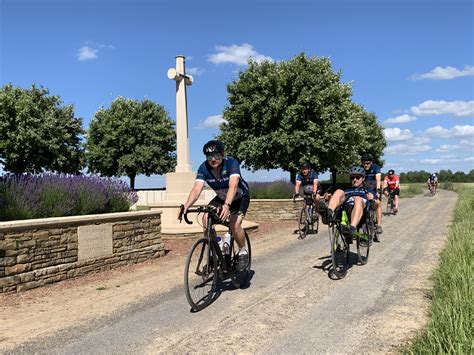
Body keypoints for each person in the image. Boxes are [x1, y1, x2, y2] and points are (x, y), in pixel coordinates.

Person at [179, 140, 250, 270]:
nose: (212, 159)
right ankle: (218, 243)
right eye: (209, 156)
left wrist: (227, 205)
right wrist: (186, 205)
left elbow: (233, 185)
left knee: (235, 224)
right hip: (221, 197)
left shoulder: (231, 163)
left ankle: (243, 251)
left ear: (222, 154)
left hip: (240, 197)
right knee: (205, 219)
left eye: (216, 156)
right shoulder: (203, 168)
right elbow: (196, 189)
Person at [326, 166, 377, 243]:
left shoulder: (368, 190)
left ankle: (352, 228)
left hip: (360, 214)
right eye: (352, 178)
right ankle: (328, 213)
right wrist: (329, 198)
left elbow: (375, 206)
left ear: (363, 178)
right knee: (338, 191)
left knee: (358, 199)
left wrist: (372, 200)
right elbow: (339, 200)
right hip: (345, 211)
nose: (354, 179)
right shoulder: (347, 190)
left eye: (357, 177)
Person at [361, 153, 383, 235]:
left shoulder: (376, 167)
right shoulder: (360, 168)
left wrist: (377, 191)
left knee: (377, 203)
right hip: (365, 187)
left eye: (367, 163)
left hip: (374, 186)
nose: (365, 165)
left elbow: (378, 179)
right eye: (364, 163)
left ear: (371, 162)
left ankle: (379, 225)